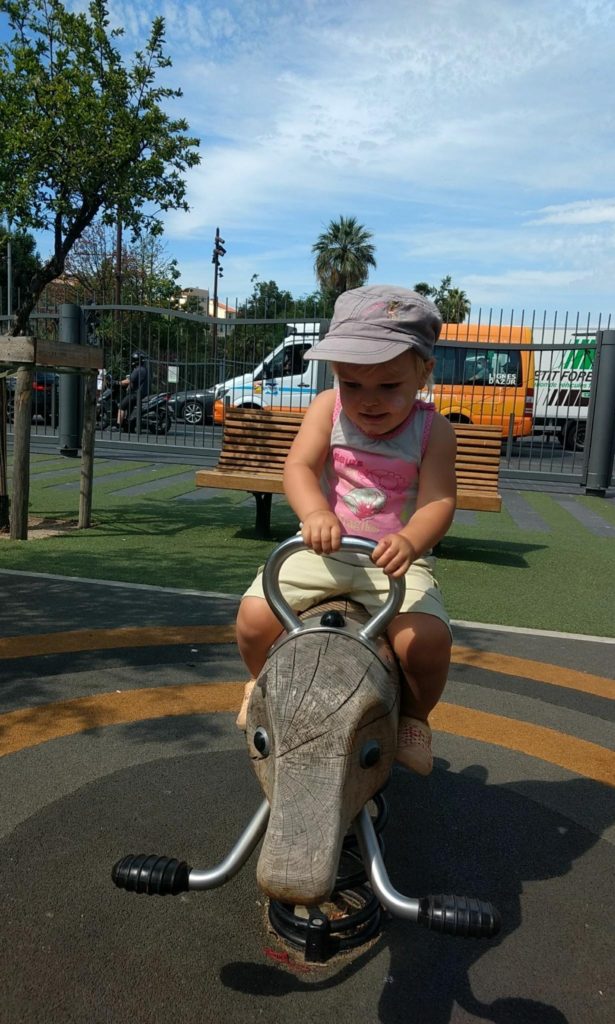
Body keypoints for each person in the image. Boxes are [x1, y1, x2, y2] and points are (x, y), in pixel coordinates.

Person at [235, 285, 457, 775]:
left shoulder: (434, 431)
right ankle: (261, 682)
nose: (368, 402)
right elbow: (299, 466)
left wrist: (411, 541)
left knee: (425, 641)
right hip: (325, 549)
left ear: (424, 373)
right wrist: (316, 512)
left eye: (388, 386)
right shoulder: (327, 408)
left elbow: (440, 500)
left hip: (393, 562)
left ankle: (414, 717)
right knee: (253, 618)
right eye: (352, 384)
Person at [117, 352, 148, 429]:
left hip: (135, 394)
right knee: (129, 407)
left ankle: (118, 425)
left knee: (121, 406)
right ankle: (128, 424)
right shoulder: (144, 369)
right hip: (141, 393)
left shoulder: (138, 370)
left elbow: (129, 380)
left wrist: (117, 382)